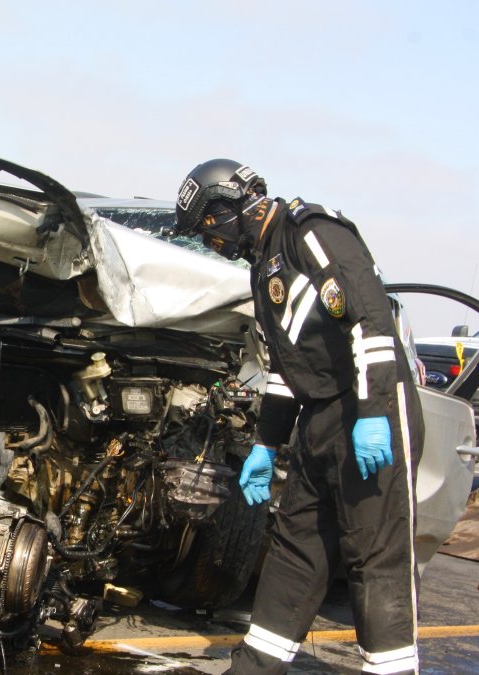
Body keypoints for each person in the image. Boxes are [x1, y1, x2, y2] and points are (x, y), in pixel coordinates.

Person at [173, 159, 424, 675]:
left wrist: (372, 413)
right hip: (318, 417)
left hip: (369, 404)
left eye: (206, 228)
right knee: (296, 547)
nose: (209, 241)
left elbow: (370, 317)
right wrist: (267, 443)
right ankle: (257, 665)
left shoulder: (309, 231)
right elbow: (284, 369)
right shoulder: (262, 267)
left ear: (228, 208)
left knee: (371, 555)